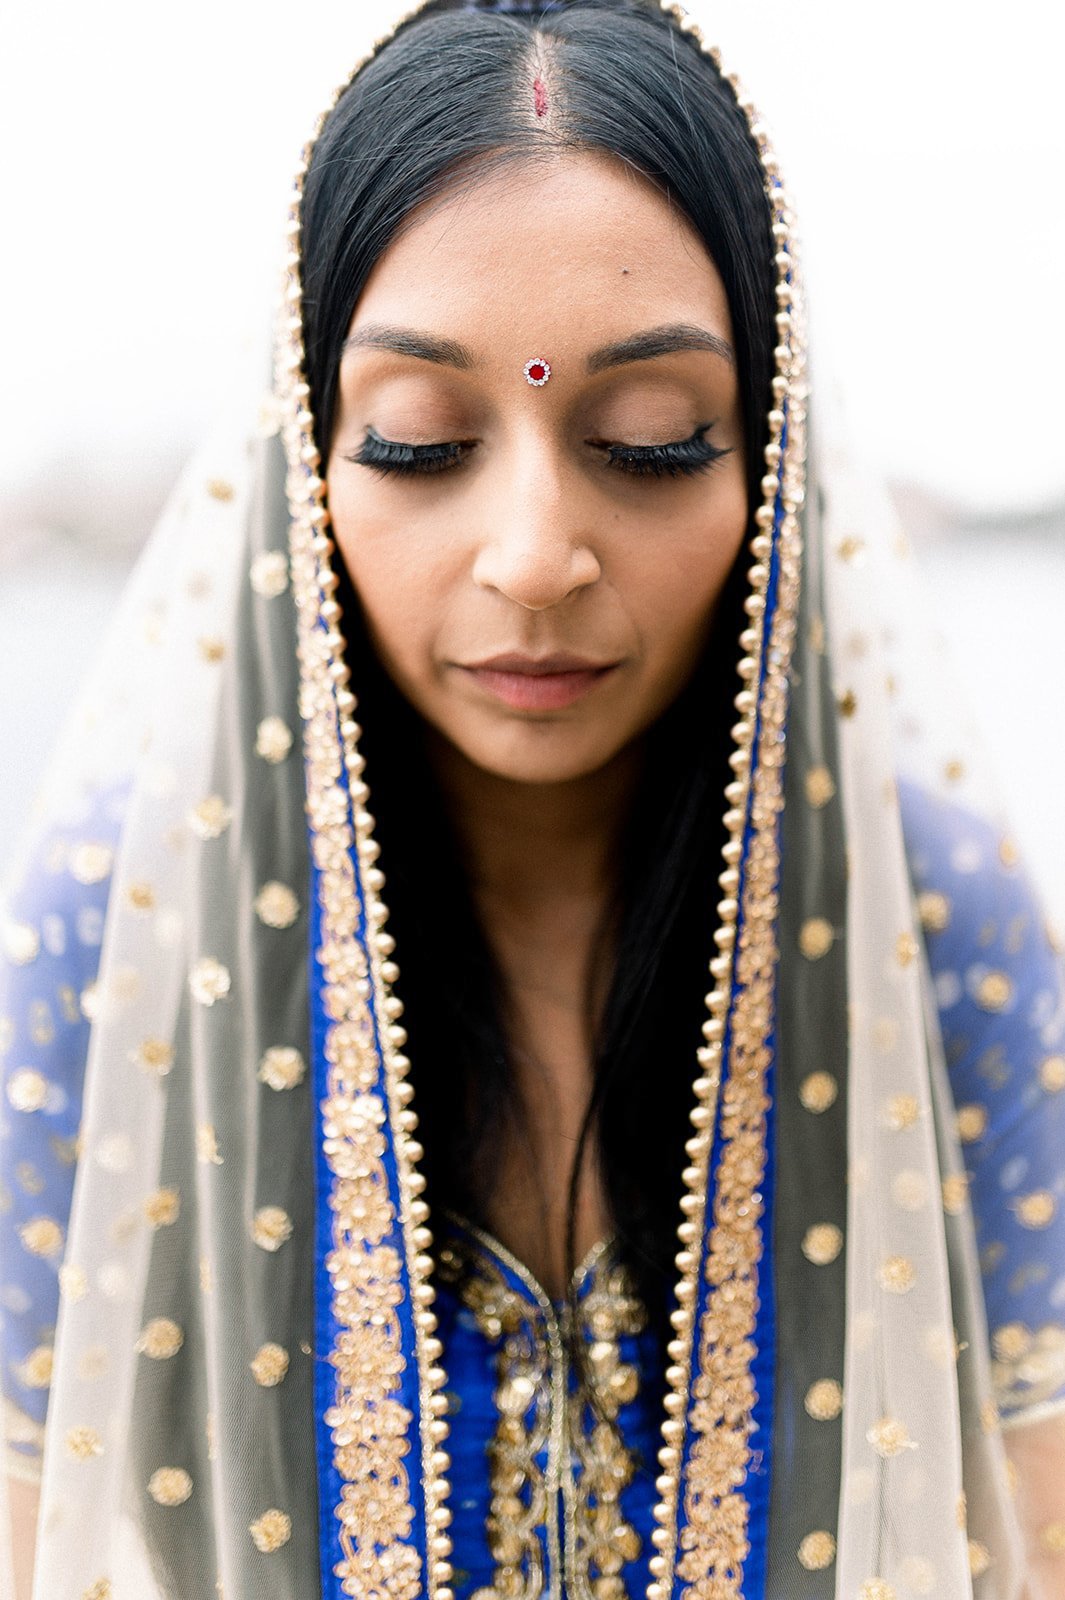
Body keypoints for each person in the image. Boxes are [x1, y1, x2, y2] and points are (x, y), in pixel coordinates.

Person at [2, 1, 1063, 1595]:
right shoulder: (134, 927)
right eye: (421, 443)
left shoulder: (925, 917)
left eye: (648, 442)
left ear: (766, 463)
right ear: (304, 464)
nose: (531, 555)